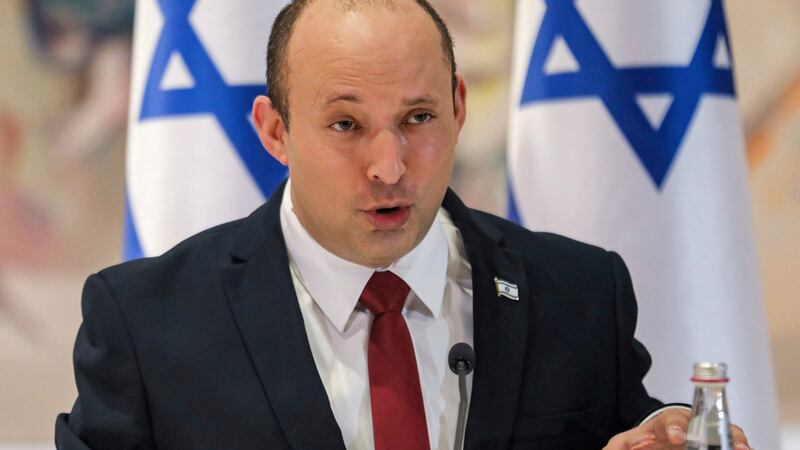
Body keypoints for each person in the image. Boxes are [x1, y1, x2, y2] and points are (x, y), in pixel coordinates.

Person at [56, 1, 752, 449]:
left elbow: (632, 435)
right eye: (346, 124)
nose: (389, 167)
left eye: (417, 119)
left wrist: (672, 434)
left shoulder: (576, 291)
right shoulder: (150, 320)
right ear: (275, 130)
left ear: (457, 106)